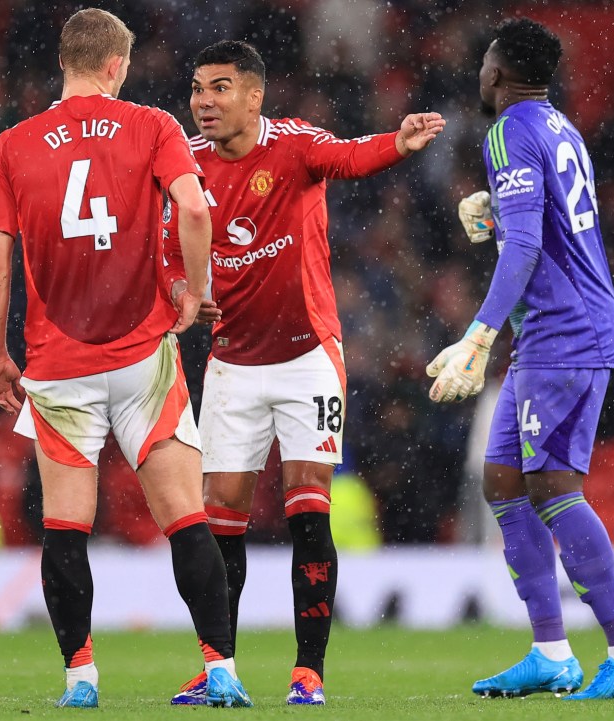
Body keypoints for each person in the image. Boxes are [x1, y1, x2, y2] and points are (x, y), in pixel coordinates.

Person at [0, 9, 250, 709]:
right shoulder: (152, 126)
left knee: (66, 524)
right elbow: (194, 210)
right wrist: (195, 290)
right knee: (185, 515)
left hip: (59, 363)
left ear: (66, 62)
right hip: (141, 358)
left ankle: (80, 677)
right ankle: (220, 666)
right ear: (115, 65)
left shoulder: (12, 145)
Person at [164, 40, 444, 706]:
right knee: (220, 519)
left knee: (307, 511)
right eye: (198, 87)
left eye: (220, 87)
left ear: (254, 96)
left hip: (306, 358)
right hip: (232, 362)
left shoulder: (292, 145)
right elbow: (165, 243)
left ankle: (308, 670)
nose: (204, 100)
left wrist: (397, 143)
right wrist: (182, 286)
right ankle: (218, 666)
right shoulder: (185, 166)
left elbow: (347, 156)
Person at [426, 18, 614, 700]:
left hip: (565, 331)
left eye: (483, 66)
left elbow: (528, 247)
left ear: (497, 74)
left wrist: (477, 334)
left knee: (555, 489)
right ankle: (550, 651)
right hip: (556, 331)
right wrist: (498, 211)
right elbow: (546, 225)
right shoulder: (559, 126)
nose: (479, 76)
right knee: (503, 481)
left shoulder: (508, 130)